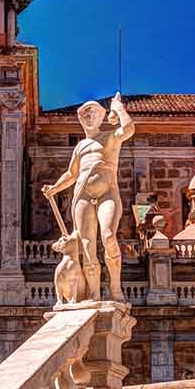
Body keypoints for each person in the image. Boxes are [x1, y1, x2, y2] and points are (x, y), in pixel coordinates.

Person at [41, 93, 135, 302]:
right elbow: (72, 174)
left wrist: (118, 108)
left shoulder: (110, 137)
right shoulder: (80, 147)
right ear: (80, 119)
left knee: (109, 235)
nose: (89, 116)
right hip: (82, 194)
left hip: (107, 192)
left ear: (102, 116)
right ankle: (93, 294)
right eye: (85, 114)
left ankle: (115, 285)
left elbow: (128, 129)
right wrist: (54, 188)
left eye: (93, 112)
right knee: (86, 246)